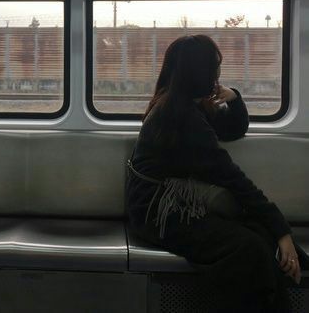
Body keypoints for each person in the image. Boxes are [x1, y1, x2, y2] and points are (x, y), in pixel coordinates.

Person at [126, 34, 307, 313]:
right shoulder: (181, 117)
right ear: (202, 72)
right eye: (215, 66)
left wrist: (233, 96)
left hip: (170, 202)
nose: (218, 72)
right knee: (250, 248)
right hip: (157, 211)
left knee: (260, 234)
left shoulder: (185, 103)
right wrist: (281, 229)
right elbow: (230, 177)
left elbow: (234, 129)